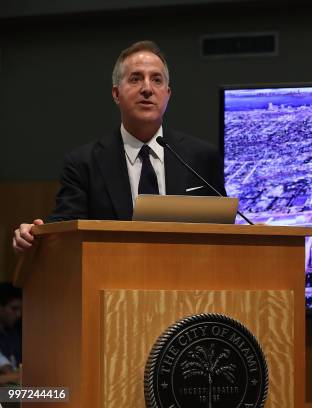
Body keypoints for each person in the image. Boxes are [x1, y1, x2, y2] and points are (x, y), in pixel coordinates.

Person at [13, 40, 226, 252]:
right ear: (116, 94)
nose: (147, 89)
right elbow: (63, 229)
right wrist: (33, 234)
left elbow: (224, 231)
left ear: (167, 95)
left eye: (157, 80)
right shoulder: (83, 164)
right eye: (135, 79)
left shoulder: (201, 157)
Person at [0, 283, 21, 385]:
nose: (18, 314)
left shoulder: (15, 334)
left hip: (12, 393)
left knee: (57, 394)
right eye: (14, 308)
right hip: (4, 394)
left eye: (20, 309)